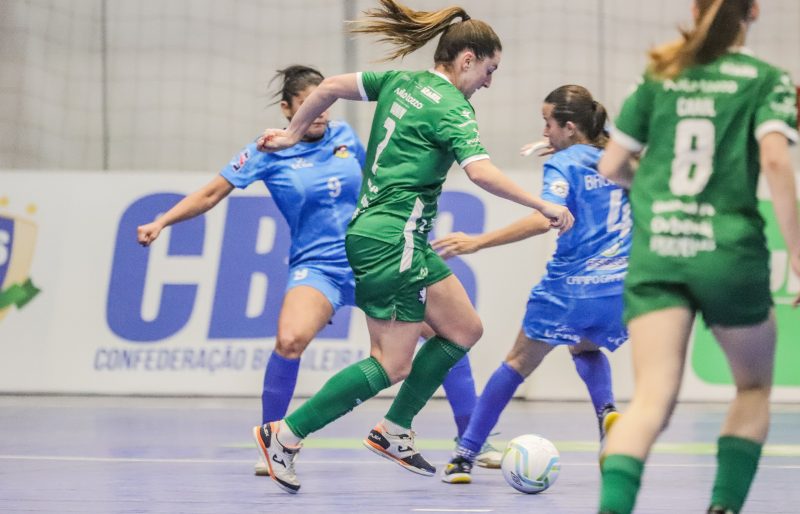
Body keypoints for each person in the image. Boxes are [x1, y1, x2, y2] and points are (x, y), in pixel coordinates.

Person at [252, 0, 574, 494]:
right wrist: (541, 204)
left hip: (396, 234)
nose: (489, 82)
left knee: (464, 329)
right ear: (467, 59)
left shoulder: (401, 82)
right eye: (490, 70)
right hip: (393, 238)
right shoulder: (453, 109)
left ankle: (394, 429)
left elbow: (333, 85)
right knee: (391, 362)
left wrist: (294, 132)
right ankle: (286, 436)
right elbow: (481, 171)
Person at [135, 64, 500, 476]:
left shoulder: (346, 139)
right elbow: (210, 193)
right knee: (290, 339)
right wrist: (162, 220)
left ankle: (471, 440)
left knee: (450, 330)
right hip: (318, 268)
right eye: (309, 104)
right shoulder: (266, 151)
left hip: (370, 257)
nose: (321, 113)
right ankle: (274, 439)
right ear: (288, 108)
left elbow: (382, 180)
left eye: (323, 104)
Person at [595, 1, 799, 513]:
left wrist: (658, 196)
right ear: (753, 12)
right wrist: (798, 253)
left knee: (649, 403)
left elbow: (612, 164)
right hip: (729, 253)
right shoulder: (766, 78)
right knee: (751, 388)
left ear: (695, 8)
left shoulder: (660, 73)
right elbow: (775, 159)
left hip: (660, 251)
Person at [435, 85, 631, 484]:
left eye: (548, 124)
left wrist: (478, 241)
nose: (544, 133)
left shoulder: (564, 164)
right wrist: (569, 145)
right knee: (585, 345)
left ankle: (464, 455)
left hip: (570, 288)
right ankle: (607, 413)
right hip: (620, 288)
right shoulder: (618, 159)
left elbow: (547, 216)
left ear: (571, 126)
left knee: (515, 364)